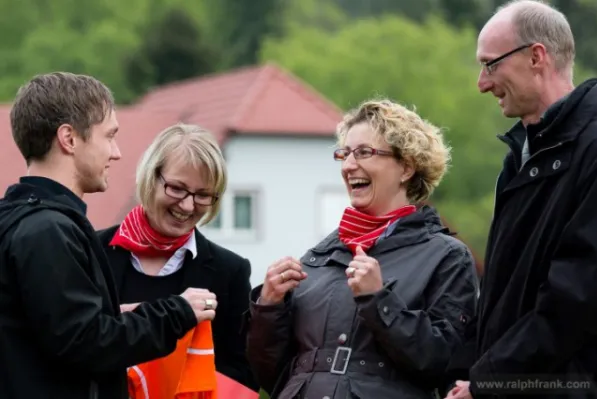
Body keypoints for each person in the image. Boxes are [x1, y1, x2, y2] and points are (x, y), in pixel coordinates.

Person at [0, 72, 216, 399]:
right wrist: (177, 312)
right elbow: (87, 344)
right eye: (109, 136)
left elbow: (48, 332)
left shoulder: (16, 220)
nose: (115, 153)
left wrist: (112, 318)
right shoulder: (48, 231)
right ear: (69, 139)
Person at [246, 98, 479, 398]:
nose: (348, 165)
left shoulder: (447, 257)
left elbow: (441, 361)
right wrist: (268, 307)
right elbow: (268, 373)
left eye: (364, 153)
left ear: (406, 167)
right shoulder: (317, 257)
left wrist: (378, 299)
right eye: (344, 153)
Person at [446, 1, 597, 398]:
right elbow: (503, 299)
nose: (482, 83)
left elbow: (576, 300)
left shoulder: (594, 150)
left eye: (490, 64)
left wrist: (487, 382)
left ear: (536, 57)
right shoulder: (519, 160)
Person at [97, 123, 259, 396]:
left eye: (202, 195)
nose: (187, 205)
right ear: (150, 176)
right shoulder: (92, 251)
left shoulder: (229, 271)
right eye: (177, 188)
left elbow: (242, 375)